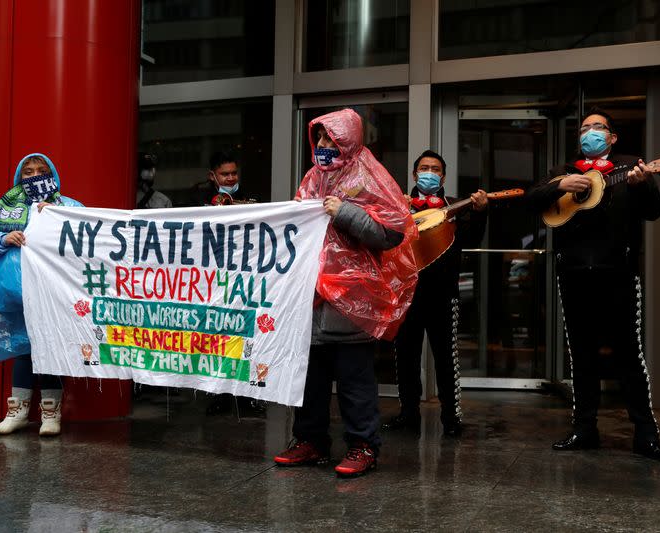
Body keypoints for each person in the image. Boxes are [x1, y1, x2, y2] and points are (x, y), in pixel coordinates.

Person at [273, 108, 418, 477]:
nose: (322, 146)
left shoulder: (370, 175)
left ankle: (363, 445)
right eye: (319, 139)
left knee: (355, 382)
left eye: (330, 139)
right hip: (312, 297)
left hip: (353, 301)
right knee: (311, 379)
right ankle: (310, 441)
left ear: (347, 140)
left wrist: (346, 212)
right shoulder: (312, 177)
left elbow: (393, 233)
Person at [526, 107, 660, 462]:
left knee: (628, 356)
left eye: (598, 127)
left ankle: (646, 435)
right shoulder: (564, 171)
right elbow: (532, 201)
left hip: (618, 274)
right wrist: (558, 185)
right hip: (574, 275)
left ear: (612, 137)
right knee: (581, 356)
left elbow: (654, 211)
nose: (590, 132)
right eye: (585, 128)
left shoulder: (630, 167)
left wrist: (643, 186)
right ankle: (584, 429)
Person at [0, 153, 83, 437]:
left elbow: (86, 243)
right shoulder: (5, 208)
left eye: (41, 170)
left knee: (50, 348)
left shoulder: (67, 207)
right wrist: (3, 239)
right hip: (15, 295)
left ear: (52, 174)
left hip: (52, 292)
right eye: (28, 171)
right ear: (20, 177)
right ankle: (17, 413)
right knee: (22, 349)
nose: (34, 176)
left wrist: (57, 219)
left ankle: (50, 414)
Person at [382, 150, 488, 437]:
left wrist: (479, 213)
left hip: (444, 292)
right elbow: (384, 241)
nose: (430, 172)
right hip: (406, 292)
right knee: (406, 356)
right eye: (424, 168)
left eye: (436, 168)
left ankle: (451, 418)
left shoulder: (455, 206)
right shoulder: (399, 204)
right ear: (415, 174)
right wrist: (396, 213)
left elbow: (470, 239)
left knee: (446, 358)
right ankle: (408, 414)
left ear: (443, 175)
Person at [202, 150, 264, 417]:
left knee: (245, 336)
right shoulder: (198, 200)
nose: (230, 178)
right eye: (225, 174)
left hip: (242, 277)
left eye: (234, 173)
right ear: (212, 176)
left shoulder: (252, 197)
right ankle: (218, 395)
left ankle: (248, 397)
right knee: (215, 336)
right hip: (211, 278)